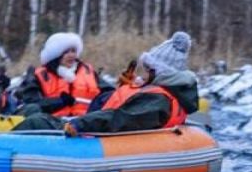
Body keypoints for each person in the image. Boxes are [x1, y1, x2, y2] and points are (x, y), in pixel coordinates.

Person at [63, 31, 198, 135]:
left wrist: (81, 123)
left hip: (92, 124)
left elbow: (122, 118)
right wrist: (128, 88)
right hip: (92, 117)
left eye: (146, 68)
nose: (142, 73)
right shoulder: (162, 93)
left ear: (158, 73)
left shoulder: (158, 100)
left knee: (44, 122)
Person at [17, 32, 112, 117]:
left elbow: (110, 94)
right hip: (53, 123)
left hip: (85, 123)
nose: (71, 55)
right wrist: (60, 101)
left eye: (73, 51)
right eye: (66, 52)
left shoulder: (88, 72)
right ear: (56, 55)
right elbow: (32, 104)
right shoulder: (39, 75)